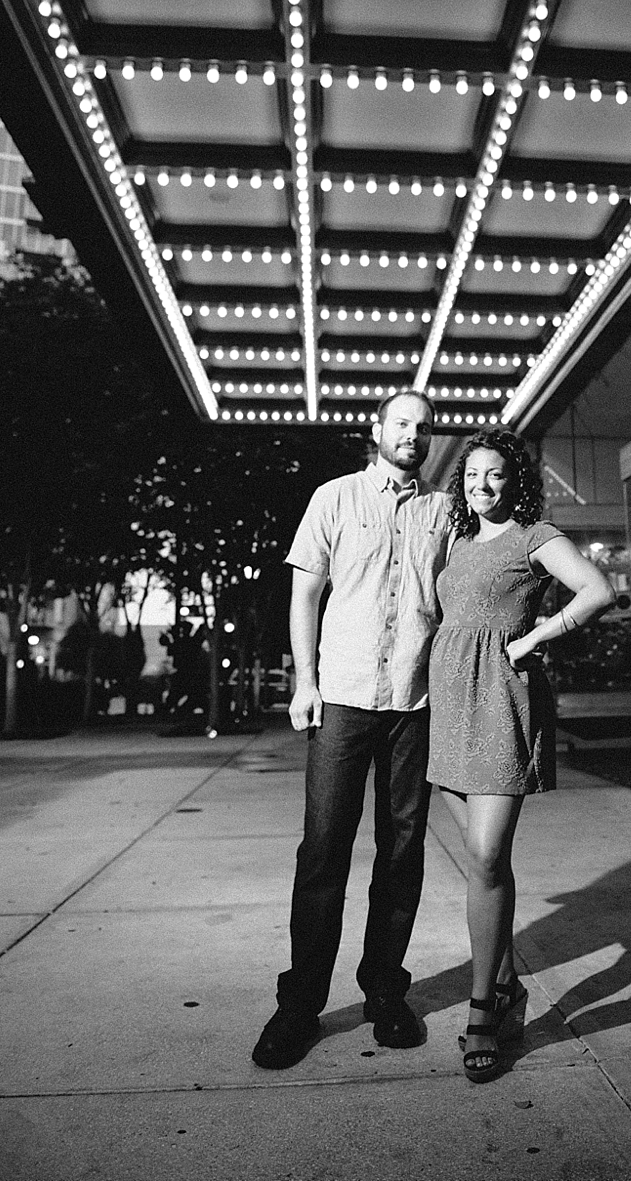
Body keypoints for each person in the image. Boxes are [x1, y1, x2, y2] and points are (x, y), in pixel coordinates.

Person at [253, 390, 449, 1069]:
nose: (413, 435)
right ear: (377, 431)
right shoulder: (333, 497)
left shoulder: (444, 511)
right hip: (341, 697)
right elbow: (304, 593)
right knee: (323, 850)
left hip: (415, 703)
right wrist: (303, 682)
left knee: (402, 852)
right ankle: (298, 1005)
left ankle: (384, 992)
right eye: (402, 423)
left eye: (423, 427)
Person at [427, 430, 611, 1082]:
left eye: (494, 474)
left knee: (483, 856)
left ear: (515, 481)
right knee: (485, 863)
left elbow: (596, 590)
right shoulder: (453, 540)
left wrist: (536, 634)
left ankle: (483, 1010)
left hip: (501, 699)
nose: (482, 485)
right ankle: (504, 985)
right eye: (472, 474)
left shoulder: (534, 535)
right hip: (445, 702)